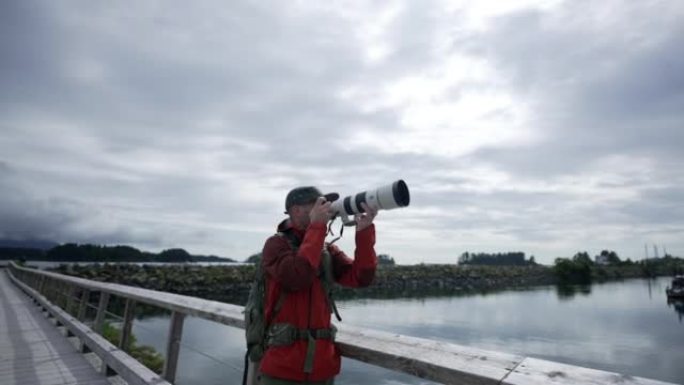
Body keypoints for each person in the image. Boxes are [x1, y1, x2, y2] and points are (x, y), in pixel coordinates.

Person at [257, 186, 378, 384]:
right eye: (318, 204)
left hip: (322, 370)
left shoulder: (325, 249)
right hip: (282, 370)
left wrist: (364, 232)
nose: (326, 209)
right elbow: (298, 276)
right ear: (296, 210)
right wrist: (317, 228)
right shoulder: (275, 245)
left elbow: (362, 278)